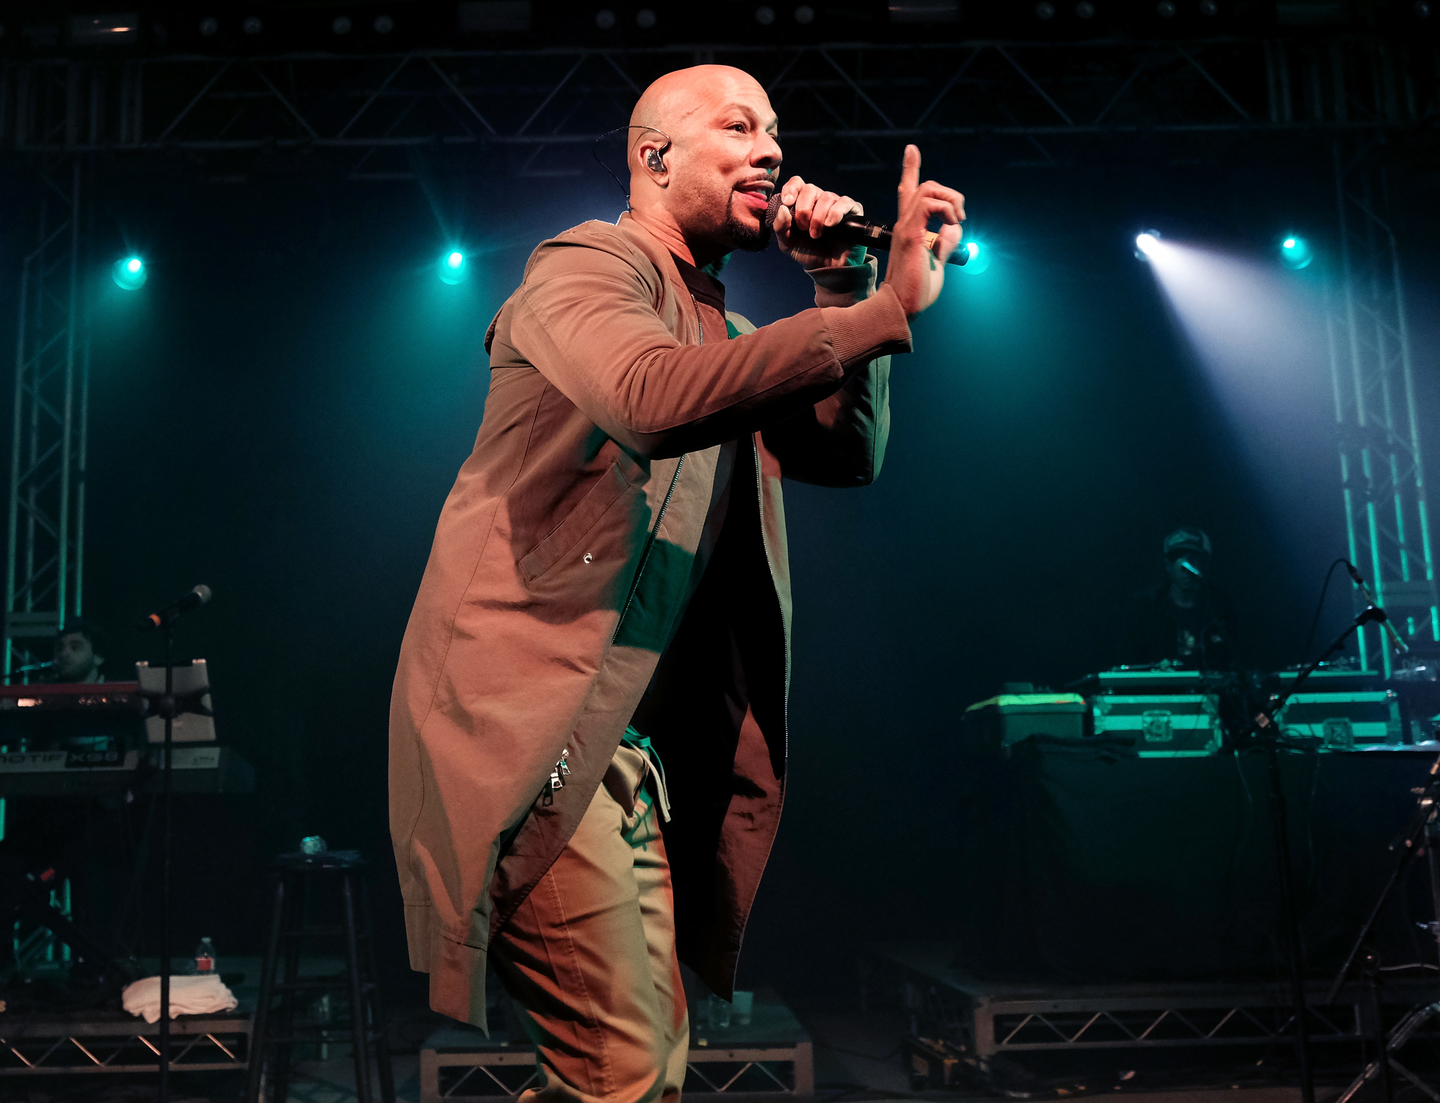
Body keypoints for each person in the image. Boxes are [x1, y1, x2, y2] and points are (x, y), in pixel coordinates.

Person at [389, 63, 964, 1103]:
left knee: (638, 1066)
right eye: (739, 128)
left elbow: (848, 455)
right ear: (654, 156)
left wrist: (840, 287)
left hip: (621, 750)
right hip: (525, 729)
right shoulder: (583, 266)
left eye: (778, 131)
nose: (774, 151)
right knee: (623, 1067)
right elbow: (648, 399)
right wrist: (881, 309)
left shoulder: (730, 337)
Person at [1123, 527, 1238, 670]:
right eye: (1178, 558)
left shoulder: (1222, 607)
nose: (1186, 566)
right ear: (1168, 564)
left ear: (1206, 562)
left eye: (1193, 557)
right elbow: (1130, 664)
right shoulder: (1147, 607)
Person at [50, 618, 107, 684]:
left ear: (98, 657)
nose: (63, 654)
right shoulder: (43, 691)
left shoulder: (116, 692)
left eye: (75, 647)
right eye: (60, 649)